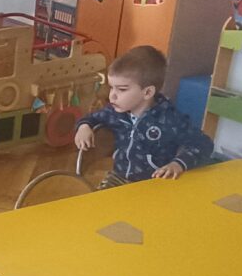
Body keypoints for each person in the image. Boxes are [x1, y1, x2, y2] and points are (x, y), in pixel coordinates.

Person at [74, 45, 214, 188]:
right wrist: (84, 126)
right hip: (119, 177)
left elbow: (203, 144)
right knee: (100, 199)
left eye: (122, 89)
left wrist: (178, 164)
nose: (112, 96)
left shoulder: (169, 119)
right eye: (111, 87)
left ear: (147, 92)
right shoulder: (115, 112)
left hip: (155, 183)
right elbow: (92, 118)